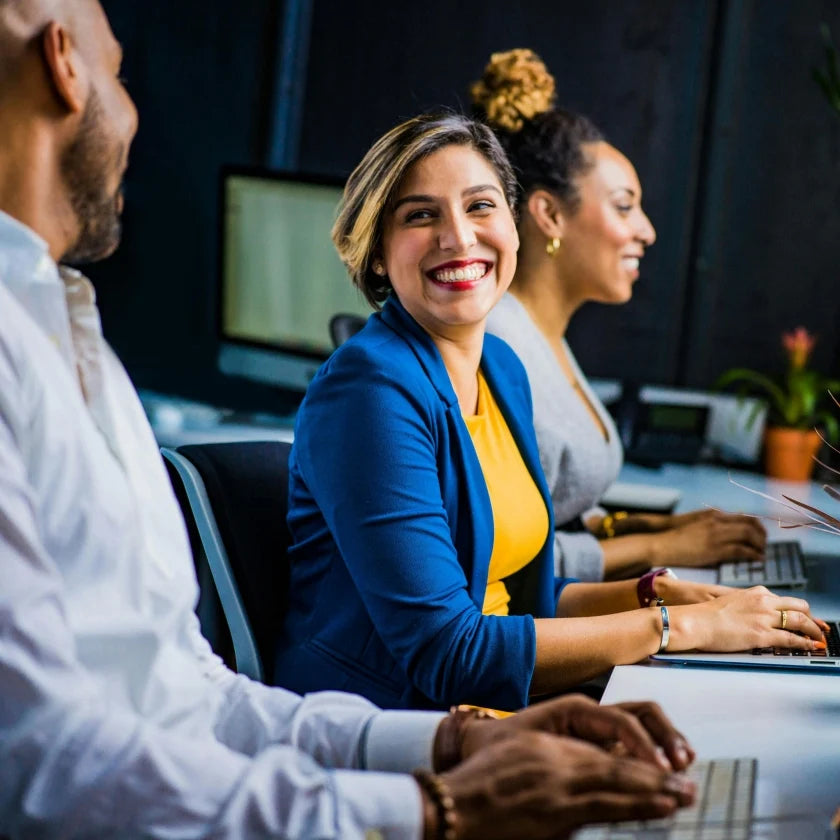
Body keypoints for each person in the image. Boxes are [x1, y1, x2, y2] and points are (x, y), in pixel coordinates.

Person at [0, 2, 703, 836]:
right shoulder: (367, 387)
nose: (134, 110)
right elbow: (40, 761)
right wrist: (438, 804)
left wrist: (452, 749)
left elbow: (192, 695)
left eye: (482, 207)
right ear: (63, 64)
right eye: (119, 71)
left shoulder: (68, 333)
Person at [276, 110, 827, 714]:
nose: (459, 237)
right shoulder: (369, 391)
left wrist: (655, 595)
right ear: (378, 254)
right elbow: (448, 651)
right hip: (391, 728)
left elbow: (520, 601)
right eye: (420, 215)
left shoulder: (502, 369)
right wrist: (678, 627)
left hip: (494, 710)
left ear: (514, 226)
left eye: (481, 206)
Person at [472, 47, 769, 582]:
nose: (647, 231)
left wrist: (648, 529)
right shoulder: (498, 347)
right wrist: (661, 549)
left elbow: (555, 513)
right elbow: (504, 562)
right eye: (624, 206)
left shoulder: (543, 337)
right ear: (549, 214)